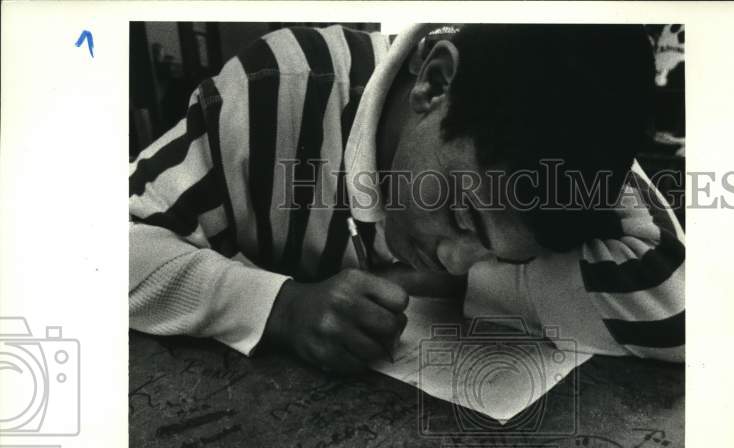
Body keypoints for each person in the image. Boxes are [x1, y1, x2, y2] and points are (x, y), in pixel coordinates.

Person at [129, 22, 685, 373]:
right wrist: (280, 307)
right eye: (461, 215)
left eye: (499, 255)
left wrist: (468, 282)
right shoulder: (274, 91)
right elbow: (93, 257)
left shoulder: (562, 147)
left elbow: (679, 310)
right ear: (434, 84)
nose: (454, 260)